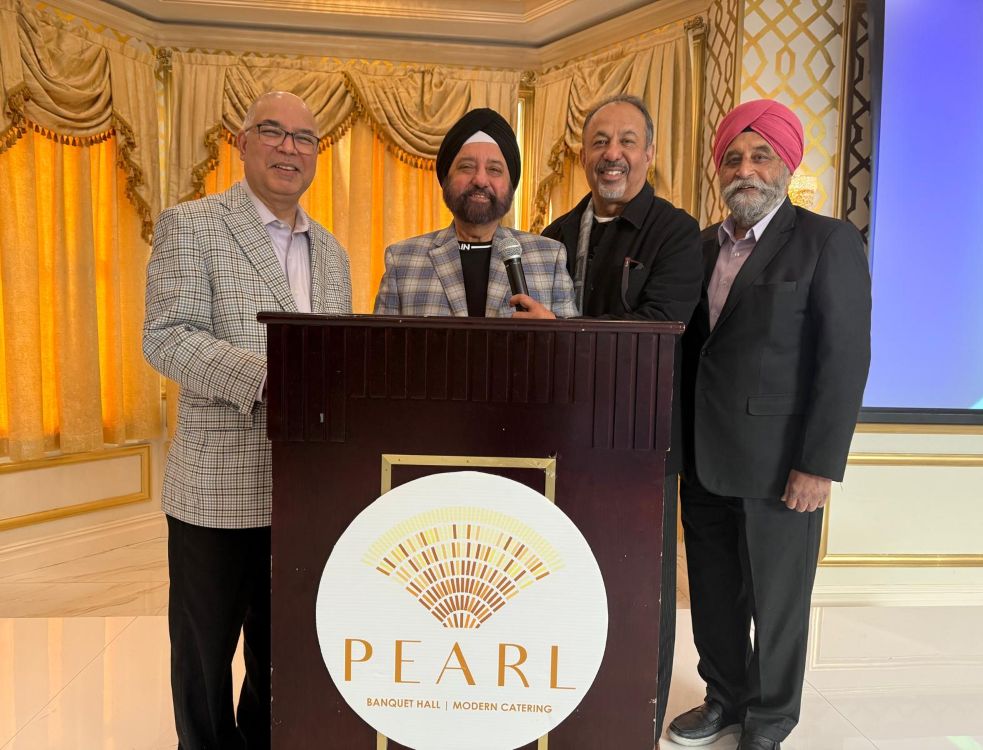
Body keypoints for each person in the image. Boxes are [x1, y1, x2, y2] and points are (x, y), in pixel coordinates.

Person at [142, 91, 353, 749]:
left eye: (304, 138)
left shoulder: (333, 252)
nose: (289, 148)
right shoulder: (191, 224)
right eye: (273, 131)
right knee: (204, 653)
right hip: (216, 487)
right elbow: (166, 337)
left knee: (281, 648)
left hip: (303, 490)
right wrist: (268, 378)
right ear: (242, 142)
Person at [669, 99, 871, 750]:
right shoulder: (699, 247)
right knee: (713, 594)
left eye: (760, 156)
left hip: (782, 465)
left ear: (786, 165)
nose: (745, 169)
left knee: (777, 604)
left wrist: (819, 463)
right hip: (703, 459)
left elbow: (844, 358)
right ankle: (724, 700)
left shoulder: (826, 241)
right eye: (732, 158)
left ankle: (770, 719)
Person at [542, 94, 703, 740]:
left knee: (640, 590)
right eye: (600, 141)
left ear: (650, 153)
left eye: (627, 141)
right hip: (563, 443)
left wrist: (561, 329)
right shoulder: (555, 234)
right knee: (564, 578)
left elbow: (660, 329)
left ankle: (637, 720)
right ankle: (569, 708)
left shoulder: (676, 233)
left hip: (642, 442)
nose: (613, 154)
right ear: (583, 154)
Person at [374, 107, 576, 319]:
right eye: (467, 167)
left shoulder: (550, 256)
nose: (480, 180)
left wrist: (552, 331)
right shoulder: (402, 261)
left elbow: (572, 340)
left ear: (510, 185)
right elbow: (381, 341)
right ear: (446, 178)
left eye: (494, 169)